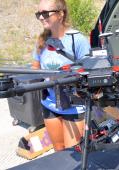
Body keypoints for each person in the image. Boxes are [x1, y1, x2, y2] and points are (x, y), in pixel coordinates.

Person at [31, 0, 91, 151]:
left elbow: (89, 73)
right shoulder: (41, 40)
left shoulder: (77, 40)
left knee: (73, 153)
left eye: (45, 13)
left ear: (60, 14)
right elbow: (35, 67)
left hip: (73, 106)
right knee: (58, 149)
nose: (40, 17)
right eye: (38, 14)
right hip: (49, 104)